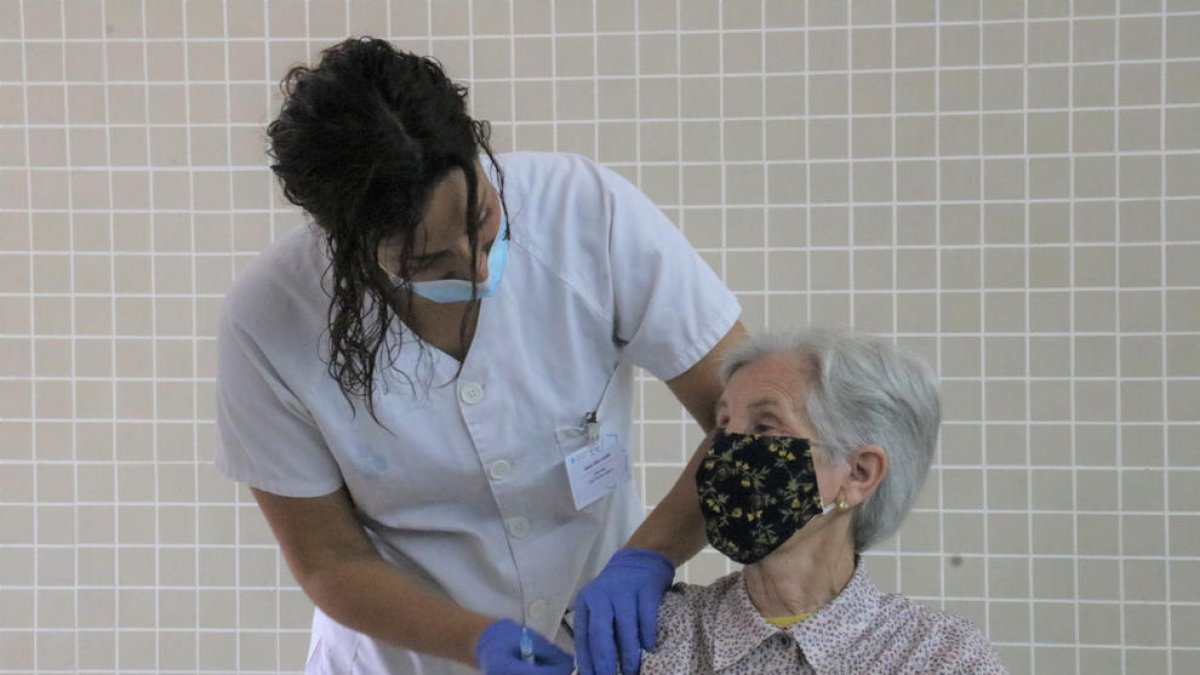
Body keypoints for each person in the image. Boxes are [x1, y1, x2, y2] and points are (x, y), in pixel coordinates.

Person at [214, 37, 743, 674]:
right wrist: (475, 640)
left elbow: (746, 417)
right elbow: (330, 560)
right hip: (403, 659)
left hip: (599, 648)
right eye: (427, 261)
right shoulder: (270, 320)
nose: (478, 266)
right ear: (342, 239)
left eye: (484, 221)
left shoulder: (589, 212)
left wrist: (650, 554)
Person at [640, 328, 1008, 673]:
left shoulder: (940, 658)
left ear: (858, 473)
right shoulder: (654, 636)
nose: (725, 452)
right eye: (723, 427)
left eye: (765, 427)